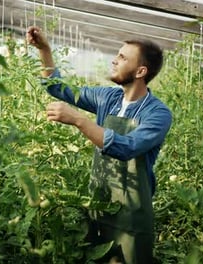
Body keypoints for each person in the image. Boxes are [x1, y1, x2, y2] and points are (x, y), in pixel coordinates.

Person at [26, 26, 172, 264]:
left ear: (140, 71)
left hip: (132, 217)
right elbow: (57, 88)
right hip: (99, 204)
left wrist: (79, 120)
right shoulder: (108, 97)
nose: (114, 60)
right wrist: (44, 50)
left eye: (123, 57)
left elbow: (127, 147)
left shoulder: (158, 113)